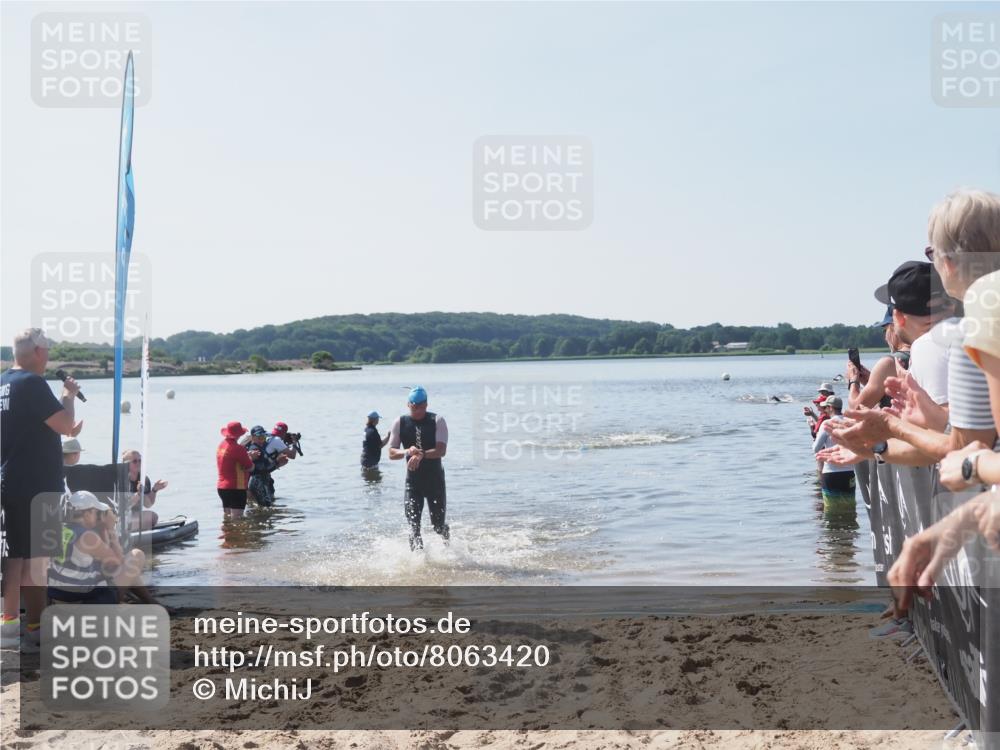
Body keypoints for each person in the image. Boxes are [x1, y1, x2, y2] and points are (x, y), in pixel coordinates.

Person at [1, 328, 83, 650]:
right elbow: (65, 426)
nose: (48, 357)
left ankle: (9, 627)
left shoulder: (5, 383)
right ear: (37, 351)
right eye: (46, 350)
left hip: (11, 478)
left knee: (15, 556)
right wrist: (69, 396)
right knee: (38, 560)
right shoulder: (33, 383)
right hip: (37, 483)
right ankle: (36, 628)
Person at [48, 490, 146, 605]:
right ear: (87, 514)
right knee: (137, 556)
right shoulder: (88, 537)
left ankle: (150, 601)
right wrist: (110, 529)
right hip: (82, 599)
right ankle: (117, 604)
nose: (97, 516)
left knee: (118, 573)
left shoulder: (59, 530)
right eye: (96, 512)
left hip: (60, 596)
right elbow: (118, 562)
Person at [388, 386, 449, 551]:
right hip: (413, 482)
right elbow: (392, 453)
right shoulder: (399, 422)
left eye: (421, 407)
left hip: (434, 481)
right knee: (413, 526)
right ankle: (418, 562)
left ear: (427, 405)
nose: (418, 411)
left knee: (438, 525)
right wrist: (407, 451)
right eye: (414, 407)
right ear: (408, 404)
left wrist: (421, 454)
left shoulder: (437, 420)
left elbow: (441, 451)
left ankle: (447, 541)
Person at [811, 396, 856, 509]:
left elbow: (816, 448)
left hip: (831, 472)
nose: (825, 409)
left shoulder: (827, 423)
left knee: (832, 510)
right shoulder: (850, 423)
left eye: (826, 407)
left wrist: (814, 433)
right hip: (849, 472)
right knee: (849, 508)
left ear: (831, 408)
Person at [216, 421, 257, 519]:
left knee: (227, 519)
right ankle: (235, 534)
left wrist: (246, 456)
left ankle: (226, 534)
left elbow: (231, 462)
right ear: (239, 434)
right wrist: (251, 458)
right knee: (237, 521)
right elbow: (250, 467)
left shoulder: (221, 445)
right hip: (236, 488)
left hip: (222, 488)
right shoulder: (238, 448)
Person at [121, 449, 166, 532]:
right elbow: (125, 507)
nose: (138, 463)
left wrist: (154, 490)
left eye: (140, 460)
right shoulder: (121, 479)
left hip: (134, 517)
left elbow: (148, 504)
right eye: (134, 461)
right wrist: (138, 494)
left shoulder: (143, 479)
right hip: (120, 518)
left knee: (153, 517)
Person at [246, 425, 280, 505]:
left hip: (263, 481)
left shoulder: (260, 446)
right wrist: (277, 463)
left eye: (264, 437)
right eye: (259, 438)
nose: (262, 440)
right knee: (266, 506)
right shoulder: (255, 450)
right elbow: (261, 470)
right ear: (253, 438)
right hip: (258, 482)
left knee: (266, 507)